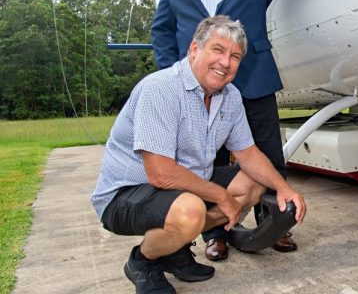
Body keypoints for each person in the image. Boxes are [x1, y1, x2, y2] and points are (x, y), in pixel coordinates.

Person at [151, 0, 351, 258]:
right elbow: (162, 31)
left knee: (268, 155)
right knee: (206, 163)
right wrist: (177, 75)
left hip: (254, 80)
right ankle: (215, 233)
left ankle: (275, 226)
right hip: (200, 91)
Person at [92, 16, 306, 293]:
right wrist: (222, 197)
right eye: (218, 50)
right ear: (194, 49)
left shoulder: (230, 96)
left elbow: (248, 152)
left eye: (235, 56)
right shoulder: (161, 88)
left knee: (252, 184)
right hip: (125, 194)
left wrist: (283, 188)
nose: (226, 63)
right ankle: (143, 261)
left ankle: (175, 246)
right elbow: (161, 172)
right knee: (190, 210)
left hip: (184, 186)